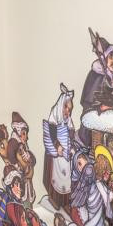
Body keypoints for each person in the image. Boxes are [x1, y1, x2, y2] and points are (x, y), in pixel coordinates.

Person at [41, 83, 75, 211]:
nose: (67, 111)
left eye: (69, 109)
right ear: (61, 105)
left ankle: (65, 202)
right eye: (66, 107)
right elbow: (52, 135)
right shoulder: (54, 118)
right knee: (57, 177)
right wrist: (58, 146)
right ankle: (55, 199)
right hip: (56, 155)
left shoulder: (68, 121)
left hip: (66, 154)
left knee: (67, 177)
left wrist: (72, 146)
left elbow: (71, 134)